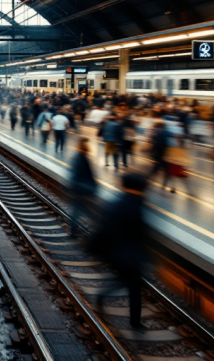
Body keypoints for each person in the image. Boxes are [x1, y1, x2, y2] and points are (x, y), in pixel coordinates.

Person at [92, 173, 148, 329]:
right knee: (134, 288)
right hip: (131, 255)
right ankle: (135, 322)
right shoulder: (138, 205)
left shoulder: (116, 203)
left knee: (124, 283)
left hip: (116, 253)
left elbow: (105, 228)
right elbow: (142, 233)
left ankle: (103, 296)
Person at [69, 138, 96, 237]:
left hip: (77, 187)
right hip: (82, 188)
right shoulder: (82, 158)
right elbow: (87, 174)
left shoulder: (78, 157)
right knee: (84, 210)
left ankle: (73, 231)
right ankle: (92, 231)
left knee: (77, 210)